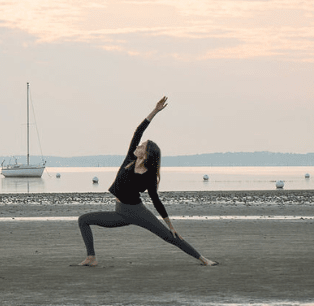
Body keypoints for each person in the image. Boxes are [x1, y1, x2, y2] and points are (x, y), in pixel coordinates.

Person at [78, 96, 216, 266]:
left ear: (147, 154)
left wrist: (170, 224)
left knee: (168, 236)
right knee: (83, 220)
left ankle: (203, 259)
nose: (138, 147)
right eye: (139, 145)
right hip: (120, 212)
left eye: (142, 146)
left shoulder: (149, 175)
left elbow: (155, 200)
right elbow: (138, 131)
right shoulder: (130, 159)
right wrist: (155, 111)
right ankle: (91, 258)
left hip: (137, 212)